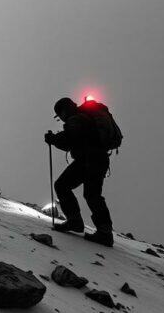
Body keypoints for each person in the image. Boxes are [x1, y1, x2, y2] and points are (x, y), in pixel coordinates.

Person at [45, 97, 116, 247]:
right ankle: (103, 231)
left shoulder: (76, 119)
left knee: (64, 186)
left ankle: (78, 222)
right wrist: (56, 139)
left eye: (60, 115)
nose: (62, 119)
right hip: (96, 159)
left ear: (64, 111)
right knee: (91, 194)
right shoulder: (82, 117)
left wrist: (53, 139)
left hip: (89, 159)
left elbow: (69, 138)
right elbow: (73, 140)